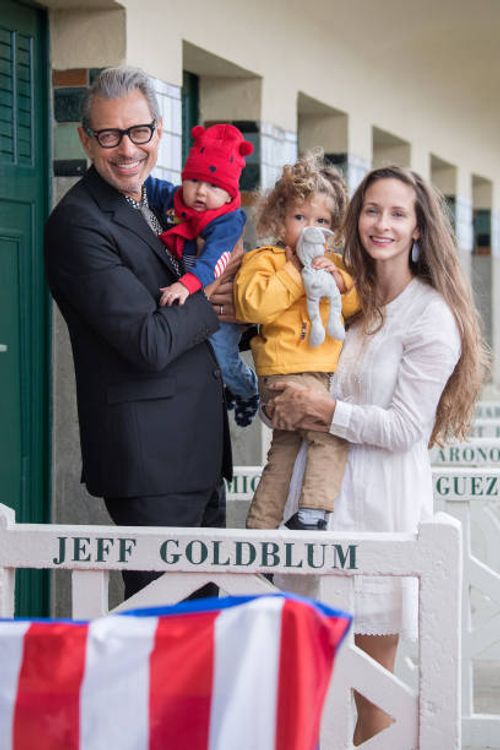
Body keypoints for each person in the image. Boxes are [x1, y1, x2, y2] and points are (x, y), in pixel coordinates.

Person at [267, 165, 489, 744]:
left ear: (418, 228)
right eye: (371, 210)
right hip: (317, 507)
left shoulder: (431, 315)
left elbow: (406, 428)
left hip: (381, 513)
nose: (381, 223)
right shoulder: (351, 299)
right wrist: (286, 400)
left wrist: (322, 410)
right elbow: (310, 372)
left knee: (373, 692)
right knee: (305, 686)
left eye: (397, 213)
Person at [44, 66, 232, 600]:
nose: (127, 149)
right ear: (85, 139)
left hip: (196, 456)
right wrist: (213, 298)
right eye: (109, 135)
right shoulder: (78, 224)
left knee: (203, 629)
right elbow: (149, 342)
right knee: (165, 639)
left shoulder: (158, 200)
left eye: (139, 132)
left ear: (159, 129)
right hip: (151, 468)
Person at [234, 152, 360, 531]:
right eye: (300, 218)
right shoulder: (266, 259)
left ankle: (260, 531)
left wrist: (340, 283)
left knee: (283, 454)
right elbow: (252, 306)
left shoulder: (335, 266)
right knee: (329, 435)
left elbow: (355, 306)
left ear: (333, 230)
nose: (310, 229)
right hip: (286, 371)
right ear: (278, 218)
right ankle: (312, 515)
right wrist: (293, 273)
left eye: (321, 221)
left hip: (320, 374)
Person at [146, 123, 259, 427]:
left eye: (213, 186)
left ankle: (247, 390)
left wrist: (186, 284)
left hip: (219, 304)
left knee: (223, 355)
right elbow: (149, 187)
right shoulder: (177, 200)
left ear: (229, 193)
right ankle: (227, 389)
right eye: (194, 180)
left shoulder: (228, 221)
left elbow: (215, 261)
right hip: (196, 300)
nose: (200, 191)